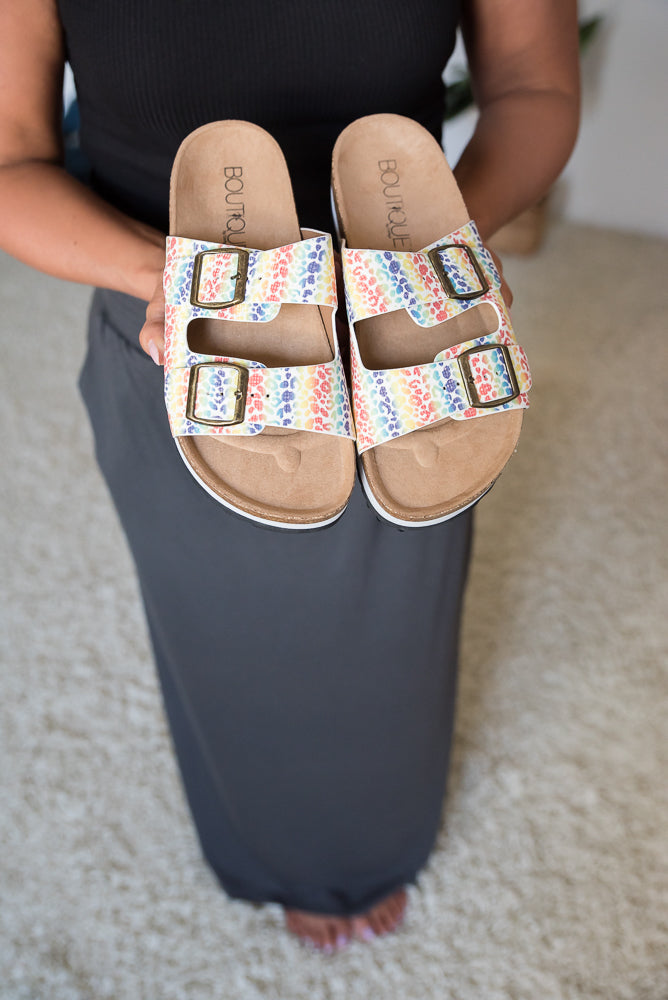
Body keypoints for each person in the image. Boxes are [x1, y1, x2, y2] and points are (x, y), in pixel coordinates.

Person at [0, 0, 579, 953]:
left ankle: (372, 831)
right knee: (227, 621)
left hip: (405, 320)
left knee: (394, 618)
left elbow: (535, 84)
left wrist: (442, 249)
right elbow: (15, 156)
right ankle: (266, 836)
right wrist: (176, 281)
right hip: (179, 330)